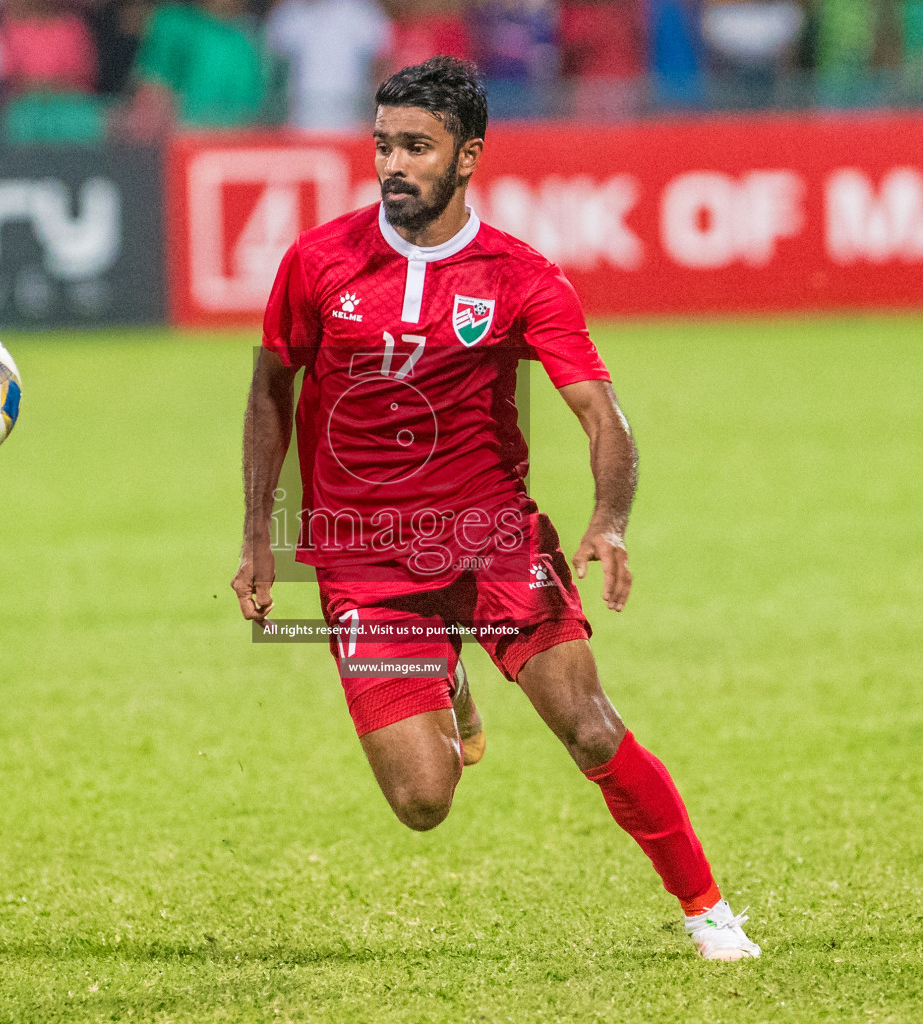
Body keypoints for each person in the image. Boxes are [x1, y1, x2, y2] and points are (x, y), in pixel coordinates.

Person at [231, 56, 762, 962]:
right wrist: (256, 535)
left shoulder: (520, 277)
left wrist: (611, 516)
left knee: (591, 729)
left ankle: (709, 912)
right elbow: (271, 388)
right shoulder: (318, 261)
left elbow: (601, 411)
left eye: (417, 147)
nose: (393, 164)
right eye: (383, 145)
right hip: (364, 560)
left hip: (492, 539)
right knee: (423, 804)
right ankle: (452, 681)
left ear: (468, 155)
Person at [130, 0, 265, 131]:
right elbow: (151, 99)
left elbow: (257, 115)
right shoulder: (172, 22)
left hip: (236, 146)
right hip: (182, 142)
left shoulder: (249, 38)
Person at [264, 0, 390, 129]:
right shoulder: (289, 13)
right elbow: (274, 70)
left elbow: (381, 64)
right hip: (300, 110)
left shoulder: (362, 11)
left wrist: (375, 112)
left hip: (351, 110)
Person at [0, 0, 98, 93]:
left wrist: (51, 86)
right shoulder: (11, 30)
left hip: (68, 103)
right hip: (25, 104)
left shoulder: (73, 29)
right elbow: (7, 77)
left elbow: (84, 76)